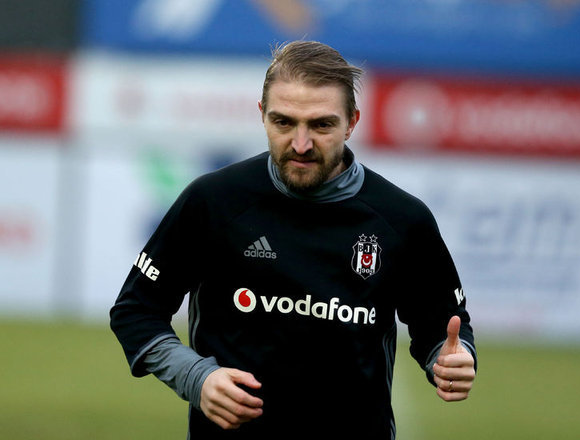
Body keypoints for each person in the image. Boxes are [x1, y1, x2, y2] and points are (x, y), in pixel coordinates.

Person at [110, 40, 477, 440]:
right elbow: (135, 310)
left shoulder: (402, 219)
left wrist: (451, 360)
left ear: (352, 122)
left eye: (321, 125)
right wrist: (196, 378)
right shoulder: (214, 202)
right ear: (262, 114)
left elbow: (443, 330)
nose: (301, 145)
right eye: (284, 123)